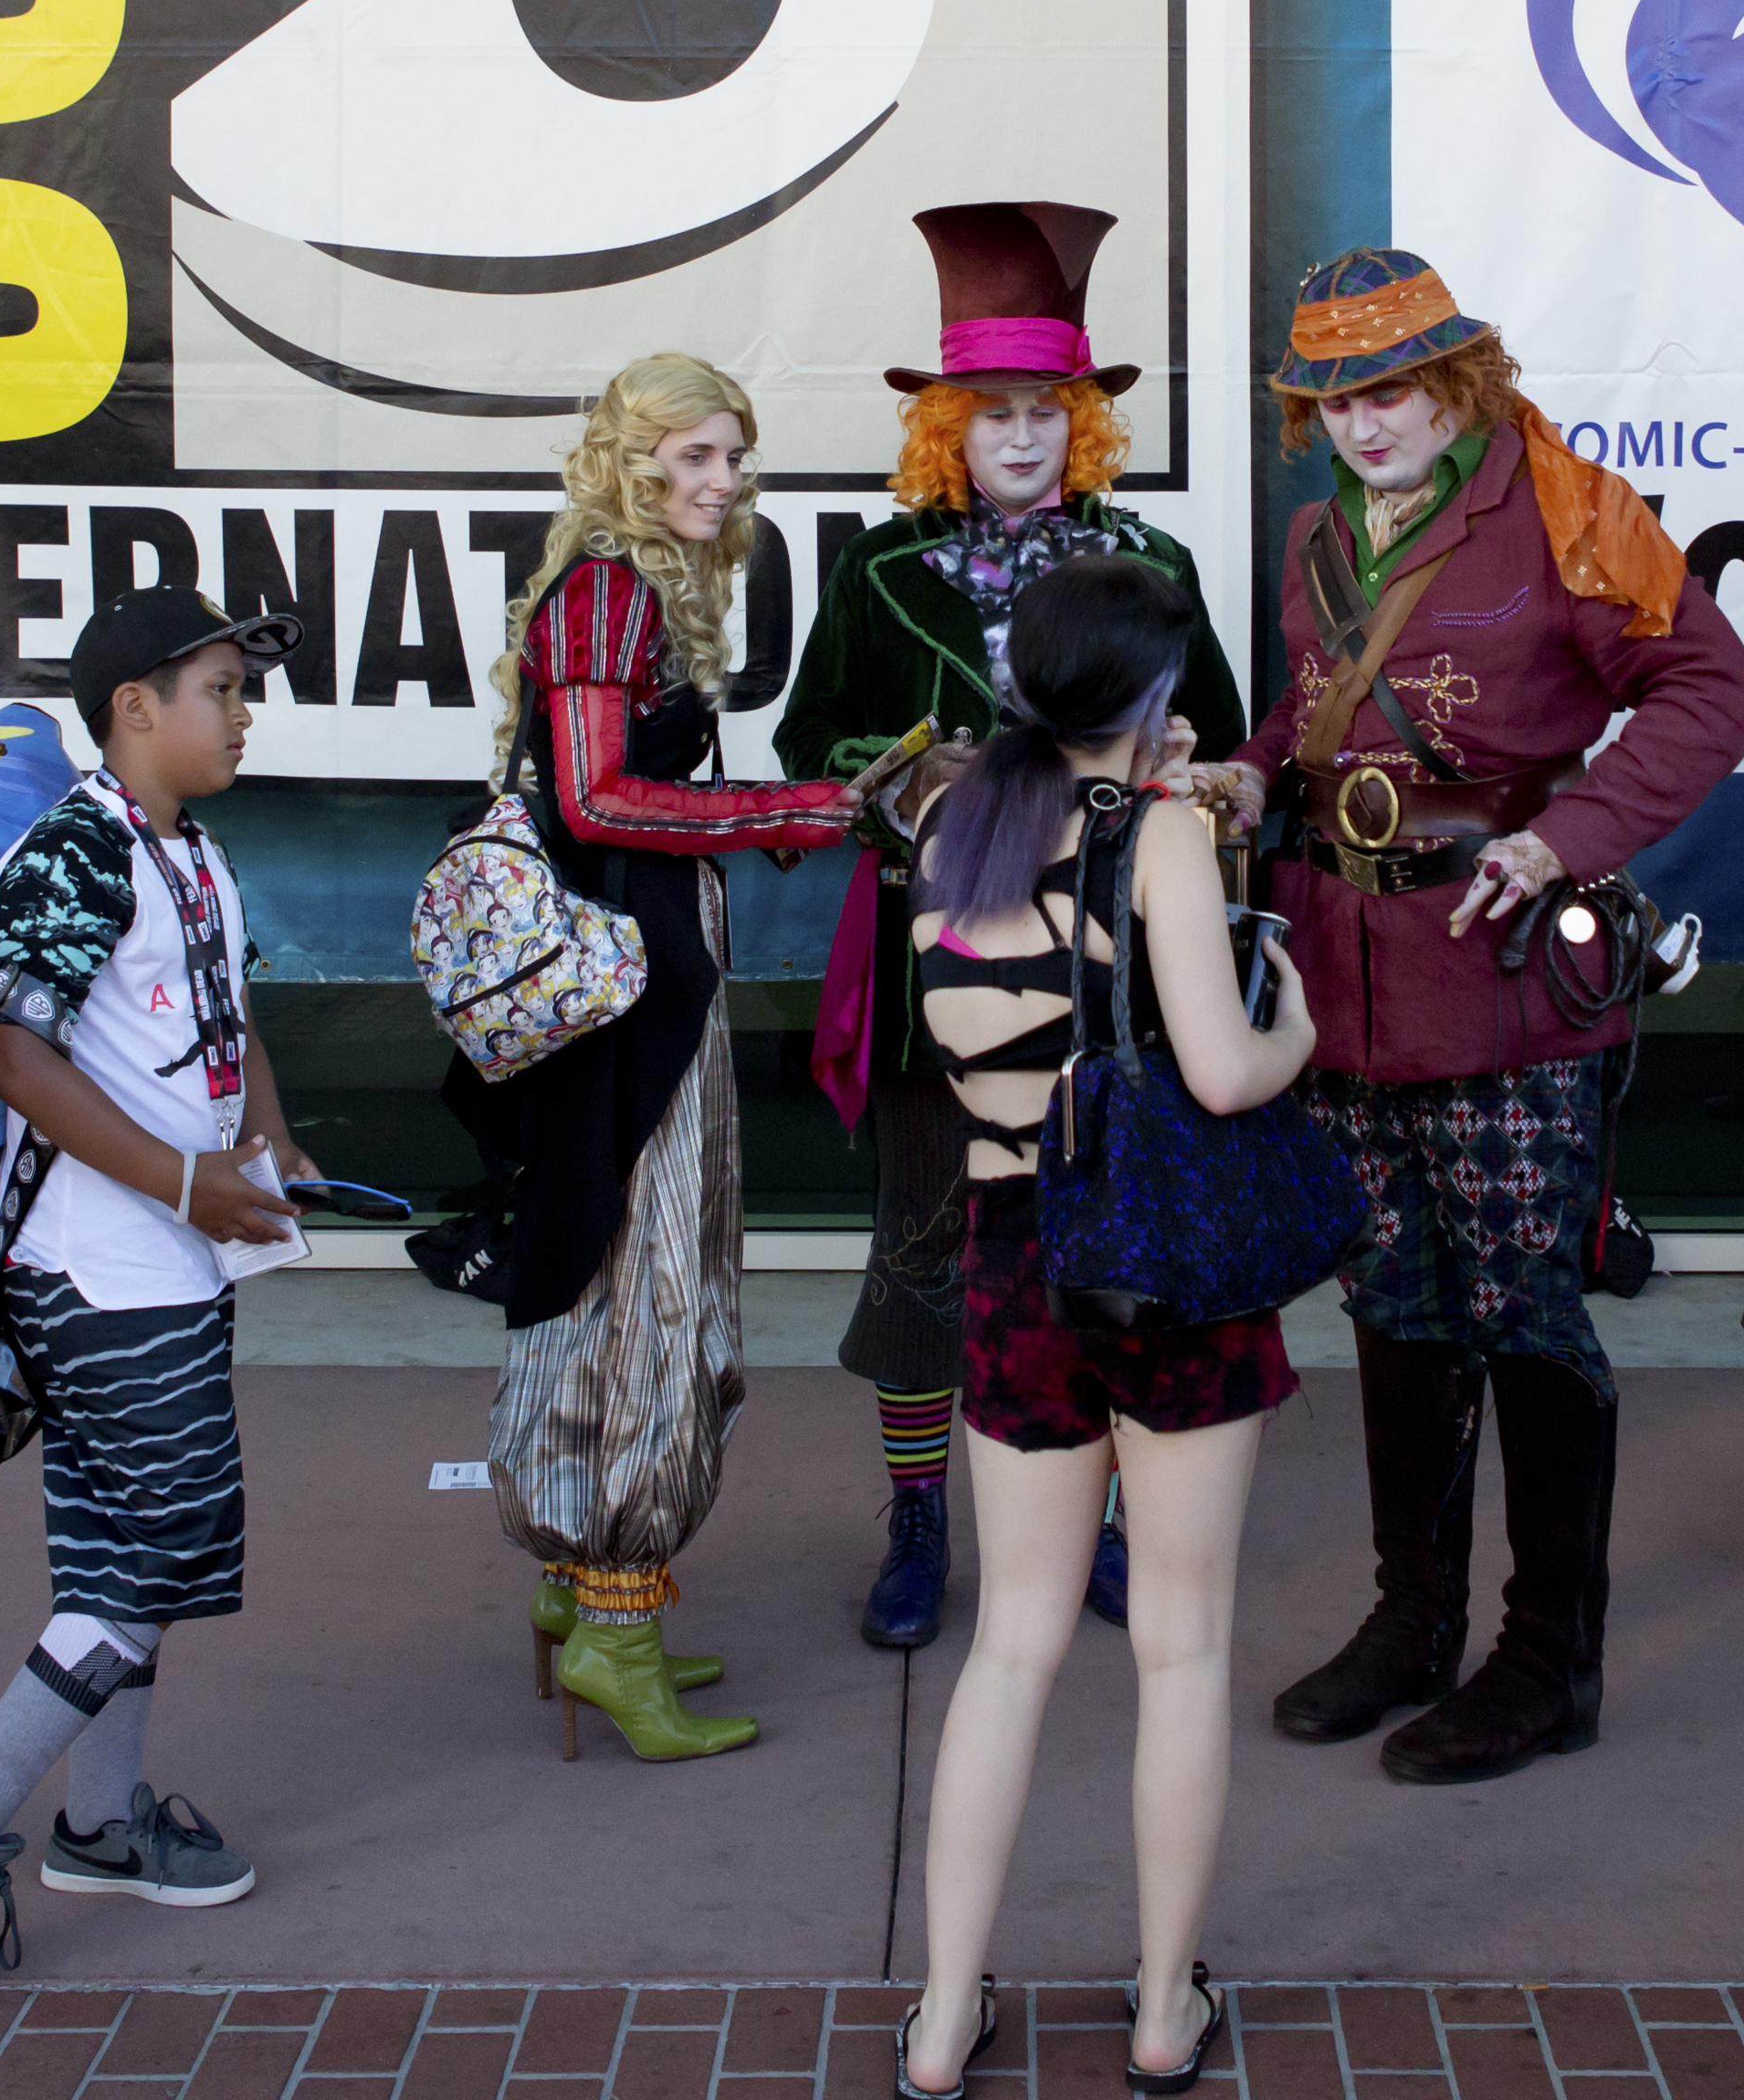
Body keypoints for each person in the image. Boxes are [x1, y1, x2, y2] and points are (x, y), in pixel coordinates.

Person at [1245, 250, 1744, 1786]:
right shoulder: (1318, 536)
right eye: (1335, 399)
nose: (1366, 423)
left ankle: (1549, 1663)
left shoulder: (1567, 510)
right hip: (1351, 980)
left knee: (1523, 1310)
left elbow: (1710, 689)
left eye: (1392, 388)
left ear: (1455, 383)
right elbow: (1317, 710)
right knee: (1394, 1303)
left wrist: (1567, 839)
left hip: (1505, 972)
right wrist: (1248, 769)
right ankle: (1414, 1625)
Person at [780, 203, 1246, 1654]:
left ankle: (1100, 1522)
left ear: (1082, 425)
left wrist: (1188, 780)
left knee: (1101, 1244)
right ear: (947, 429)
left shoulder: (1143, 564)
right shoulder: (875, 570)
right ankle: (922, 1524)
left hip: (1115, 979)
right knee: (927, 1255)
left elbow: (1227, 743)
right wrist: (919, 777)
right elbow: (811, 741)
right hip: (949, 967)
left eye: (1047, 412)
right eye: (993, 414)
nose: (1025, 439)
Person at [890, 559, 1315, 2100]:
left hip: (1016, 1253)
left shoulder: (952, 819)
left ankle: (942, 2021)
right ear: (1148, 695)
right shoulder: (1168, 839)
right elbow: (1219, 1074)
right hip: (1166, 1262)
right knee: (1183, 1648)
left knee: (1010, 1647)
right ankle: (1157, 2014)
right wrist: (1300, 1029)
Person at [0, 583, 313, 1986]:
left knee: (127, 1554)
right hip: (101, 1268)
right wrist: (187, 1185)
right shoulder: (78, 851)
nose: (245, 714)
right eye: (223, 690)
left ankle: (106, 1824)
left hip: (171, 1261)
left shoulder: (191, 848)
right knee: (153, 1551)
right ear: (137, 708)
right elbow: (16, 1057)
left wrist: (267, 1135)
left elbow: (224, 1015)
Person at [459, 353, 870, 1760]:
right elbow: (591, 798)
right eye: (696, 458)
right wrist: (791, 803)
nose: (725, 483)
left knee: (622, 1262)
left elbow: (624, 795)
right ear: (631, 464)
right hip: (625, 990)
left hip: (637, 972)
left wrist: (767, 813)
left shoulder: (632, 589)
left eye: (735, 459)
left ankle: (590, 1608)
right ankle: (615, 1619)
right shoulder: (606, 592)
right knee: (644, 1280)